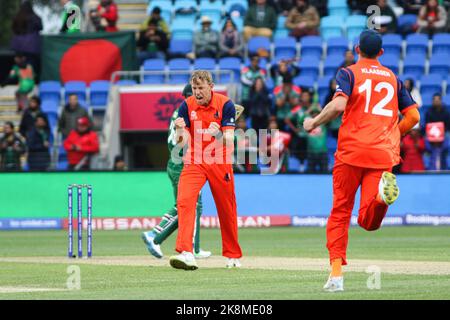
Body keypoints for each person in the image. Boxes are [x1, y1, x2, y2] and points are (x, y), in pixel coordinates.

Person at [303, 30, 420, 292]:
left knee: (341, 212)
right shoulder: (393, 79)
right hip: (382, 155)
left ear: (357, 49)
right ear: (381, 53)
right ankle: (381, 199)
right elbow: (414, 118)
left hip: (351, 153)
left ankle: (336, 277)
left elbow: (337, 106)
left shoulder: (348, 73)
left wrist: (313, 122)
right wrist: (392, 135)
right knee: (369, 222)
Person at [169, 71, 243, 270]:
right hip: (195, 160)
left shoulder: (225, 104)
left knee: (226, 208)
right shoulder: (186, 106)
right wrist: (178, 129)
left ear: (211, 86)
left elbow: (229, 140)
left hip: (219, 161)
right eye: (194, 88)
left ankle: (233, 255)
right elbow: (181, 142)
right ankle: (186, 252)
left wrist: (218, 132)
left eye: (201, 88)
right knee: (184, 201)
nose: (197, 92)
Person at [142, 84, 211, 260]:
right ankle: (154, 235)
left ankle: (194, 247)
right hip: (184, 165)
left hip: (177, 163)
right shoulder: (189, 113)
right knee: (188, 206)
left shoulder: (180, 111)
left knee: (194, 206)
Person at [11, 1, 43, 78]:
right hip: (31, 46)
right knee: (30, 65)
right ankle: (29, 82)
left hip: (18, 46)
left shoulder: (17, 17)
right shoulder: (35, 17)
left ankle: (20, 81)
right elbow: (40, 27)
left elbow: (13, 29)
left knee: (19, 66)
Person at [424, 93, 450, 170]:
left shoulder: (446, 112)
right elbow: (427, 125)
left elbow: (448, 126)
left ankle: (444, 166)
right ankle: (431, 166)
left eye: (438, 100)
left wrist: (441, 132)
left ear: (441, 101)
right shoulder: (428, 112)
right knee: (426, 138)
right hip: (432, 133)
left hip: (444, 133)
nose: (436, 102)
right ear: (432, 101)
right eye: (434, 100)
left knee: (448, 136)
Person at [304, 107, 328, 173]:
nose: (315, 115)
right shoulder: (308, 125)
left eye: (317, 114)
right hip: (311, 152)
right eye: (313, 114)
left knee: (325, 173)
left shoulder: (323, 124)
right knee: (310, 174)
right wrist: (309, 110)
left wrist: (320, 109)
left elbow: (327, 115)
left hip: (323, 152)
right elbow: (301, 119)